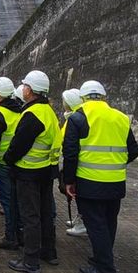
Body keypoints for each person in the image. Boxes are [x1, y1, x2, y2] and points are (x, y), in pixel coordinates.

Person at [63, 80, 138, 273]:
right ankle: (101, 259)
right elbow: (133, 151)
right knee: (108, 222)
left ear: (83, 97)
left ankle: (105, 270)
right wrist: (115, 164)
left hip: (89, 182)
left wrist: (68, 181)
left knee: (95, 225)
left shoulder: (78, 117)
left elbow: (70, 153)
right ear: (104, 97)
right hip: (116, 182)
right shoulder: (121, 118)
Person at [5, 70, 59, 273]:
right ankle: (49, 252)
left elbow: (18, 146)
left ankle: (30, 261)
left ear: (31, 90)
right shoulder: (49, 112)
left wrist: (9, 159)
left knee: (30, 216)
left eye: (25, 86)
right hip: (45, 171)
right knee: (45, 214)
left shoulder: (32, 115)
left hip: (28, 173)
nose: (23, 89)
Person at [0, 77, 24, 250]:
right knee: (16, 200)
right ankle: (20, 233)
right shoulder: (19, 110)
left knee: (8, 201)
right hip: (17, 161)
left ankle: (10, 237)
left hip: (2, 163)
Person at [60, 88, 88, 237]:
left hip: (77, 165)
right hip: (76, 164)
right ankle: (81, 218)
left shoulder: (75, 119)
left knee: (78, 194)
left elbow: (70, 146)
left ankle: (83, 221)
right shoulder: (74, 117)